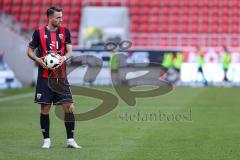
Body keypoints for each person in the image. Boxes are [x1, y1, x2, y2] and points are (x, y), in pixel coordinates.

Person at [27, 6, 81, 149]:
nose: (61, 19)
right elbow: (30, 51)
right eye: (58, 17)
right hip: (44, 77)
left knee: (69, 107)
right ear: (50, 18)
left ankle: (70, 140)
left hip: (61, 77)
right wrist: (39, 60)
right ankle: (47, 140)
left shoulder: (65, 32)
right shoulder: (39, 32)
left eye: (61, 17)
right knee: (45, 109)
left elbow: (69, 51)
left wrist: (62, 58)